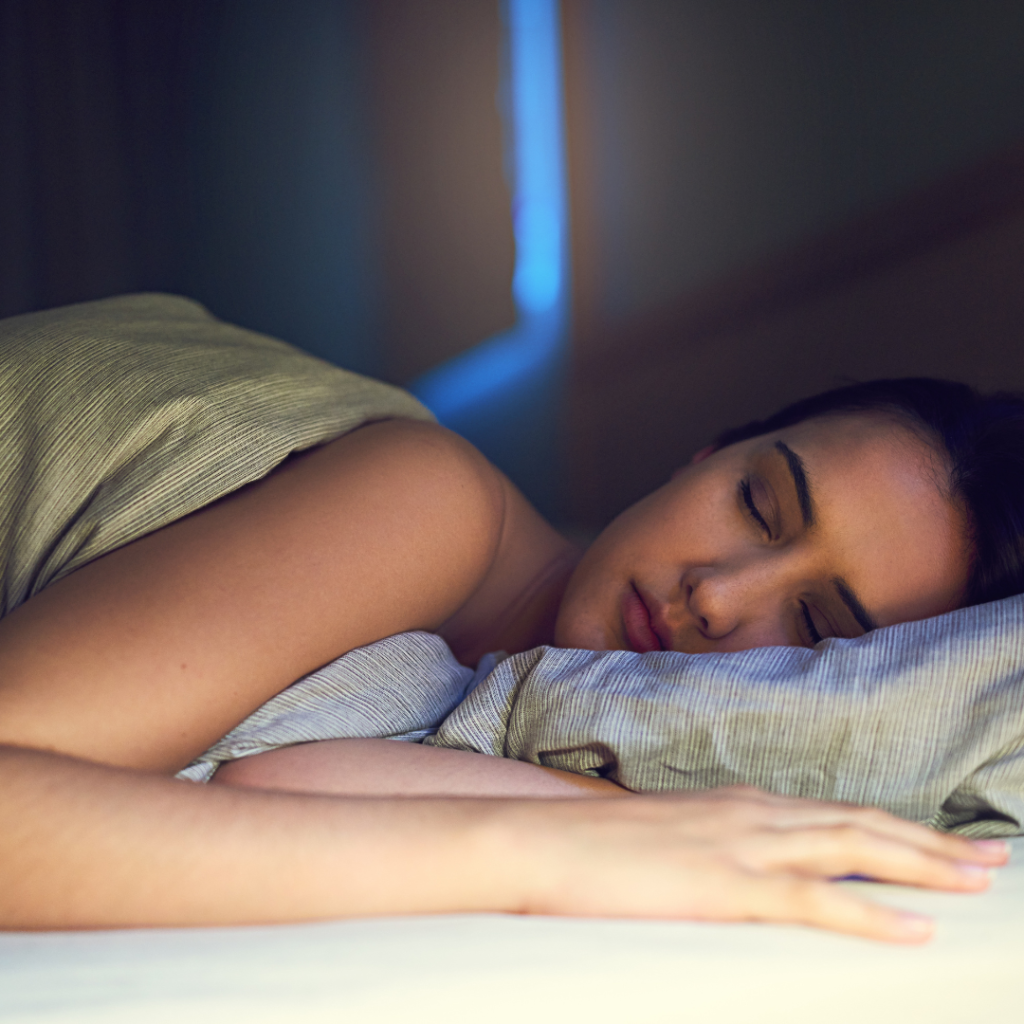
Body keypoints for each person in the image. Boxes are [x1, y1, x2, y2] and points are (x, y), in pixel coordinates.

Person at [0, 354, 1014, 938]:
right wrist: (527, 854)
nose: (718, 593)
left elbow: (290, 781)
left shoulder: (572, 742)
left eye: (814, 627)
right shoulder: (429, 501)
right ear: (705, 453)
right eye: (757, 502)